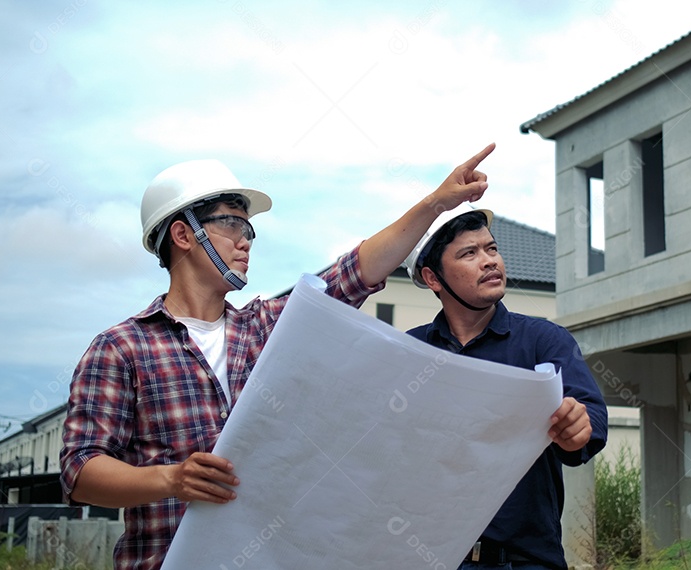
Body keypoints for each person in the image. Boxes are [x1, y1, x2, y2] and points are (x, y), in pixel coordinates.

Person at [60, 144, 494, 570]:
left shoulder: (267, 328)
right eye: (232, 225)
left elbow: (356, 273)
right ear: (182, 234)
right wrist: (172, 479)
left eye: (249, 230)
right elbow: (81, 472)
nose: (245, 241)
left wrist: (436, 202)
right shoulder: (121, 349)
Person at [405, 208, 608, 570]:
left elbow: (590, 416)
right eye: (470, 253)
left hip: (524, 562)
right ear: (432, 278)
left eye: (492, 249)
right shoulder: (410, 352)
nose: (489, 261)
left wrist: (577, 425)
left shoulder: (543, 340)